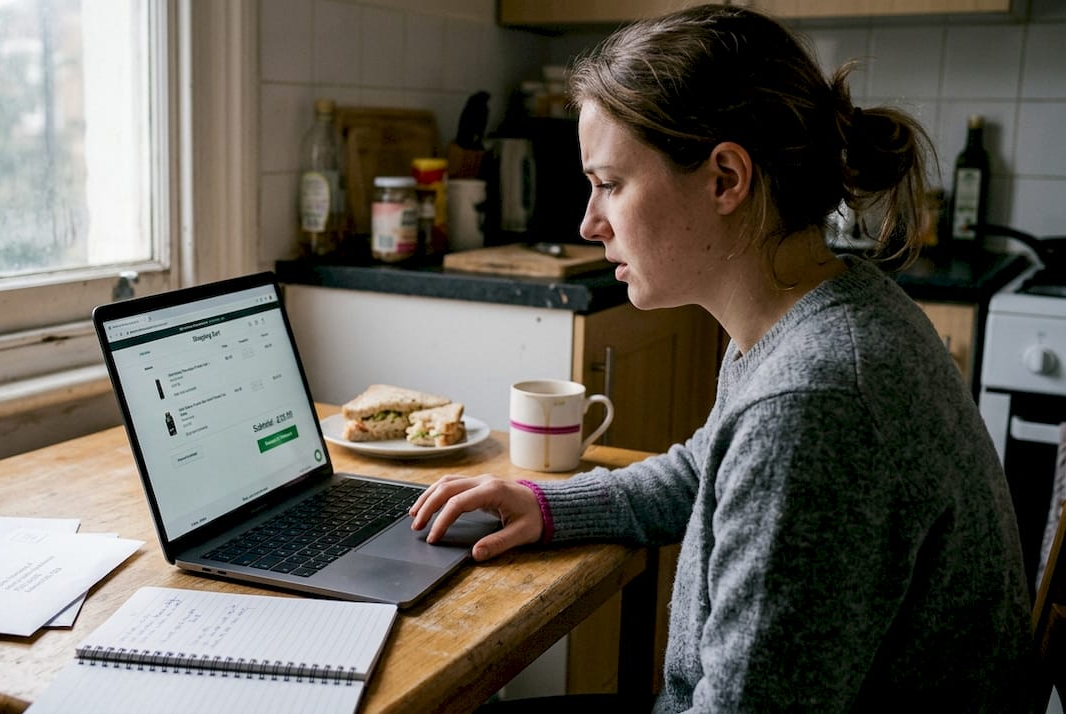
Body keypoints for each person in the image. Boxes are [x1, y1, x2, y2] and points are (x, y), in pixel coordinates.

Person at [409, 4, 1031, 712]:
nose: (588, 222)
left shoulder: (813, 402)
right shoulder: (809, 311)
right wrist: (548, 508)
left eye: (610, 183)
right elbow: (710, 471)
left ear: (726, 178)